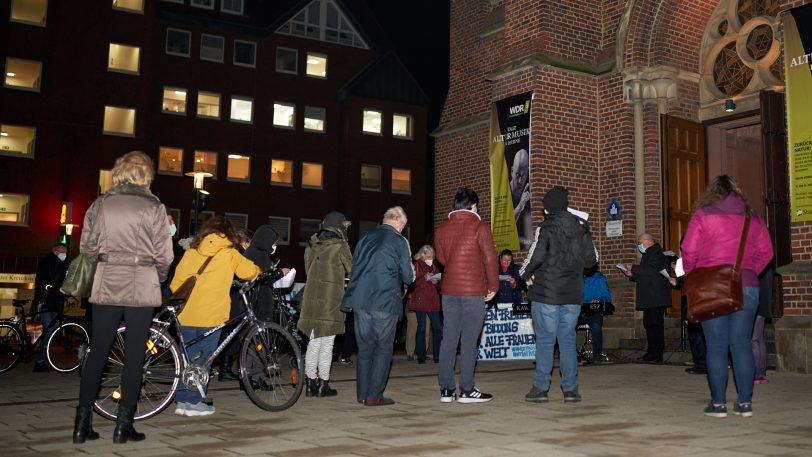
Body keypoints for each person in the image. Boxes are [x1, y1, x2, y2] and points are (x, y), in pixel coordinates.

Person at [74, 151, 174, 444]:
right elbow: (164, 254)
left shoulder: (101, 203)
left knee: (98, 354)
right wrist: (159, 277)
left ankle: (81, 425)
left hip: (107, 282)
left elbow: (87, 246)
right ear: (146, 175)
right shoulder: (154, 206)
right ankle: (123, 426)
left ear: (119, 172)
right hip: (142, 283)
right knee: (133, 357)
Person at [681, 175, 773, 418]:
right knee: (742, 343)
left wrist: (694, 274)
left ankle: (719, 404)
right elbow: (767, 252)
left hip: (713, 286)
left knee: (717, 345)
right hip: (748, 285)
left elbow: (689, 250)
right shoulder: (752, 218)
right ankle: (744, 404)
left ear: (713, 192)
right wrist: (749, 271)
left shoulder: (703, 215)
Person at [170, 216, 260, 417]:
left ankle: (182, 401)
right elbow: (249, 271)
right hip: (210, 315)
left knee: (188, 359)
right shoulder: (229, 253)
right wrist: (258, 272)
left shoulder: (192, 251)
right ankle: (193, 403)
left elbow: (176, 283)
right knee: (204, 360)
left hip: (186, 314)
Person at [520, 186, 597, 403]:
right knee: (567, 340)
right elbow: (592, 259)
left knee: (545, 340)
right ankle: (571, 389)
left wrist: (524, 274)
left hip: (546, 293)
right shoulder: (581, 228)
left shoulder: (545, 228)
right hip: (572, 294)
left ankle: (541, 388)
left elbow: (535, 256)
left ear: (548, 209)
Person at [341, 206, 414, 406]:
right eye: (403, 226)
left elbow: (354, 267)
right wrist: (405, 281)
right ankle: (374, 395)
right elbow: (408, 275)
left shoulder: (365, 239)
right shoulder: (400, 241)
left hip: (361, 301)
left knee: (365, 349)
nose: (402, 230)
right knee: (383, 348)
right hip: (385, 300)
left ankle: (362, 393)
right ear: (399, 222)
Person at [434, 188, 498, 403]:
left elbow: (442, 259)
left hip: (449, 291)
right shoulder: (480, 227)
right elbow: (490, 259)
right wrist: (493, 286)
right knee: (469, 341)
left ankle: (446, 390)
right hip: (473, 290)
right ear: (474, 206)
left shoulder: (442, 230)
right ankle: (468, 390)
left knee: (449, 339)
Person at [297, 211, 353, 398]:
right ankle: (323, 384)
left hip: (312, 296)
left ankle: (310, 383)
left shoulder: (311, 245)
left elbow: (308, 270)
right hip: (331, 298)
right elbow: (351, 269)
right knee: (327, 342)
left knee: (314, 340)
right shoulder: (340, 245)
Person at [217, 228, 258, 382]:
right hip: (234, 297)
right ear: (244, 242)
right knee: (233, 332)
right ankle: (225, 369)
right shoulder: (238, 252)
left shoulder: (230, 250)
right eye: (249, 243)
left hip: (228, 295)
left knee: (230, 331)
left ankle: (224, 368)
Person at [622, 233, 671, 364]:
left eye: (640, 243)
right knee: (649, 325)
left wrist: (634, 267)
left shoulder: (658, 253)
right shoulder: (649, 254)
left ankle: (656, 354)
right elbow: (647, 275)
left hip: (656, 296)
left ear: (647, 241)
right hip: (650, 296)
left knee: (655, 326)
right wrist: (632, 275)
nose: (639, 246)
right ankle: (651, 353)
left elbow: (652, 270)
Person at [32, 242, 68, 372]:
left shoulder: (61, 264)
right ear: (56, 251)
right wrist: (50, 288)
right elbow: (44, 281)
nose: (65, 254)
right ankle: (39, 361)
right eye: (63, 251)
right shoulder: (48, 262)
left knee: (50, 331)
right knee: (48, 331)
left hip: (53, 303)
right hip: (47, 302)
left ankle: (42, 360)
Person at [409, 245, 442, 364]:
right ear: (422, 255)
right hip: (421, 300)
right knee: (422, 328)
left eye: (432, 255)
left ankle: (437, 355)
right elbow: (412, 282)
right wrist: (424, 278)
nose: (431, 257)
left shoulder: (434, 266)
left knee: (438, 328)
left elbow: (439, 284)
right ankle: (421, 356)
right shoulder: (416, 264)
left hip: (432, 301)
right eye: (428, 255)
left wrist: (436, 282)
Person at [581, 265, 611, 364]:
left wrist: (598, 300)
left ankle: (597, 355)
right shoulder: (577, 278)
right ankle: (569, 354)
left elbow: (607, 297)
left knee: (596, 325)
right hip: (578, 310)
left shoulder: (599, 278)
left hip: (594, 311)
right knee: (567, 324)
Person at [753, 264, 774, 385]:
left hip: (756, 305)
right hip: (764, 306)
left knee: (753, 340)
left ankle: (756, 373)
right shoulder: (768, 266)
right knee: (759, 339)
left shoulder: (757, 265)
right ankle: (761, 373)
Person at [510, 149, 533, 250]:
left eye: (523, 176)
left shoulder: (528, 193)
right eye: (517, 174)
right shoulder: (504, 192)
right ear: (511, 171)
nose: (520, 181)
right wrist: (520, 205)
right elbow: (507, 224)